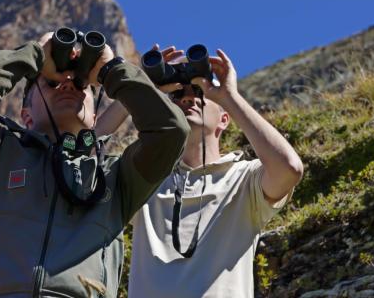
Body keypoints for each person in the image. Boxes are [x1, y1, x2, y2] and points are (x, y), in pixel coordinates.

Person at [0, 32, 189, 298]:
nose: (69, 86)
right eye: (52, 83)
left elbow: (171, 132)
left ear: (94, 116)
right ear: (26, 115)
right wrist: (36, 54)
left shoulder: (114, 178)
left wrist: (111, 71)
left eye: (82, 86)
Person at [103, 45, 304, 297]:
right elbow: (83, 164)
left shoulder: (244, 179)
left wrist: (229, 97)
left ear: (224, 119)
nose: (186, 98)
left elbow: (289, 169)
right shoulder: (145, 180)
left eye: (197, 92)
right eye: (177, 95)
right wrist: (136, 87)